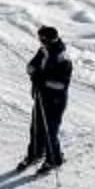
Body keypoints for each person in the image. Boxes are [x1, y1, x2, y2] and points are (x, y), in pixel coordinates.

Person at [22, 25, 71, 175]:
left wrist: (43, 81)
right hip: (41, 96)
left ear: (48, 39)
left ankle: (54, 159)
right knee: (36, 126)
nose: (40, 42)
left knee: (50, 130)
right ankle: (36, 153)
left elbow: (62, 85)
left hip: (55, 100)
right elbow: (30, 66)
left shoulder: (62, 58)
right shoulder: (43, 50)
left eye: (41, 39)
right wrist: (34, 72)